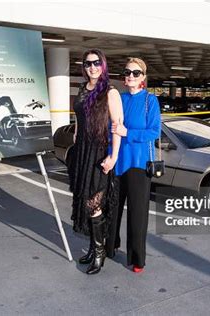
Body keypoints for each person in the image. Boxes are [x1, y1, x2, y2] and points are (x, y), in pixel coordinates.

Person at [68, 49, 123, 275]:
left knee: (94, 204)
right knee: (85, 200)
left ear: (103, 65)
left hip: (99, 153)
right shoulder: (82, 90)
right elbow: (79, 118)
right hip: (81, 151)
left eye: (96, 63)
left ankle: (100, 254)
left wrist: (113, 157)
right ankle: (92, 249)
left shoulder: (110, 92)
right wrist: (76, 134)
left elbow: (117, 127)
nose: (92, 67)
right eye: (88, 63)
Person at [106, 57, 161, 273]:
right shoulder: (118, 98)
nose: (130, 76)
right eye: (127, 72)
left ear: (143, 78)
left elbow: (154, 131)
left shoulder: (150, 100)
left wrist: (128, 132)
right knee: (112, 210)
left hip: (139, 164)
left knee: (137, 215)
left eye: (136, 73)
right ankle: (109, 247)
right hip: (117, 161)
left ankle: (137, 259)